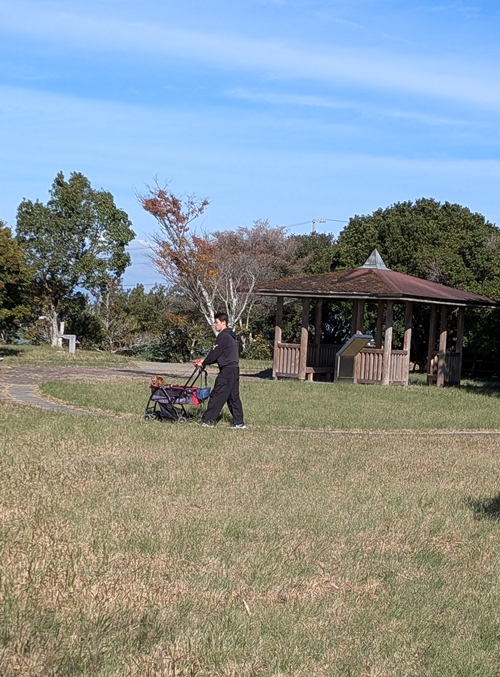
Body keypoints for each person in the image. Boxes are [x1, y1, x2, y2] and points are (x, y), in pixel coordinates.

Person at [194, 312, 246, 429]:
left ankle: (208, 421)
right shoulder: (231, 336)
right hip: (234, 369)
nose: (215, 324)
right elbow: (220, 354)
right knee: (233, 397)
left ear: (223, 322)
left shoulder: (223, 336)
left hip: (227, 371)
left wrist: (204, 363)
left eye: (216, 322)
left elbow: (215, 353)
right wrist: (205, 361)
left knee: (217, 394)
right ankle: (239, 423)